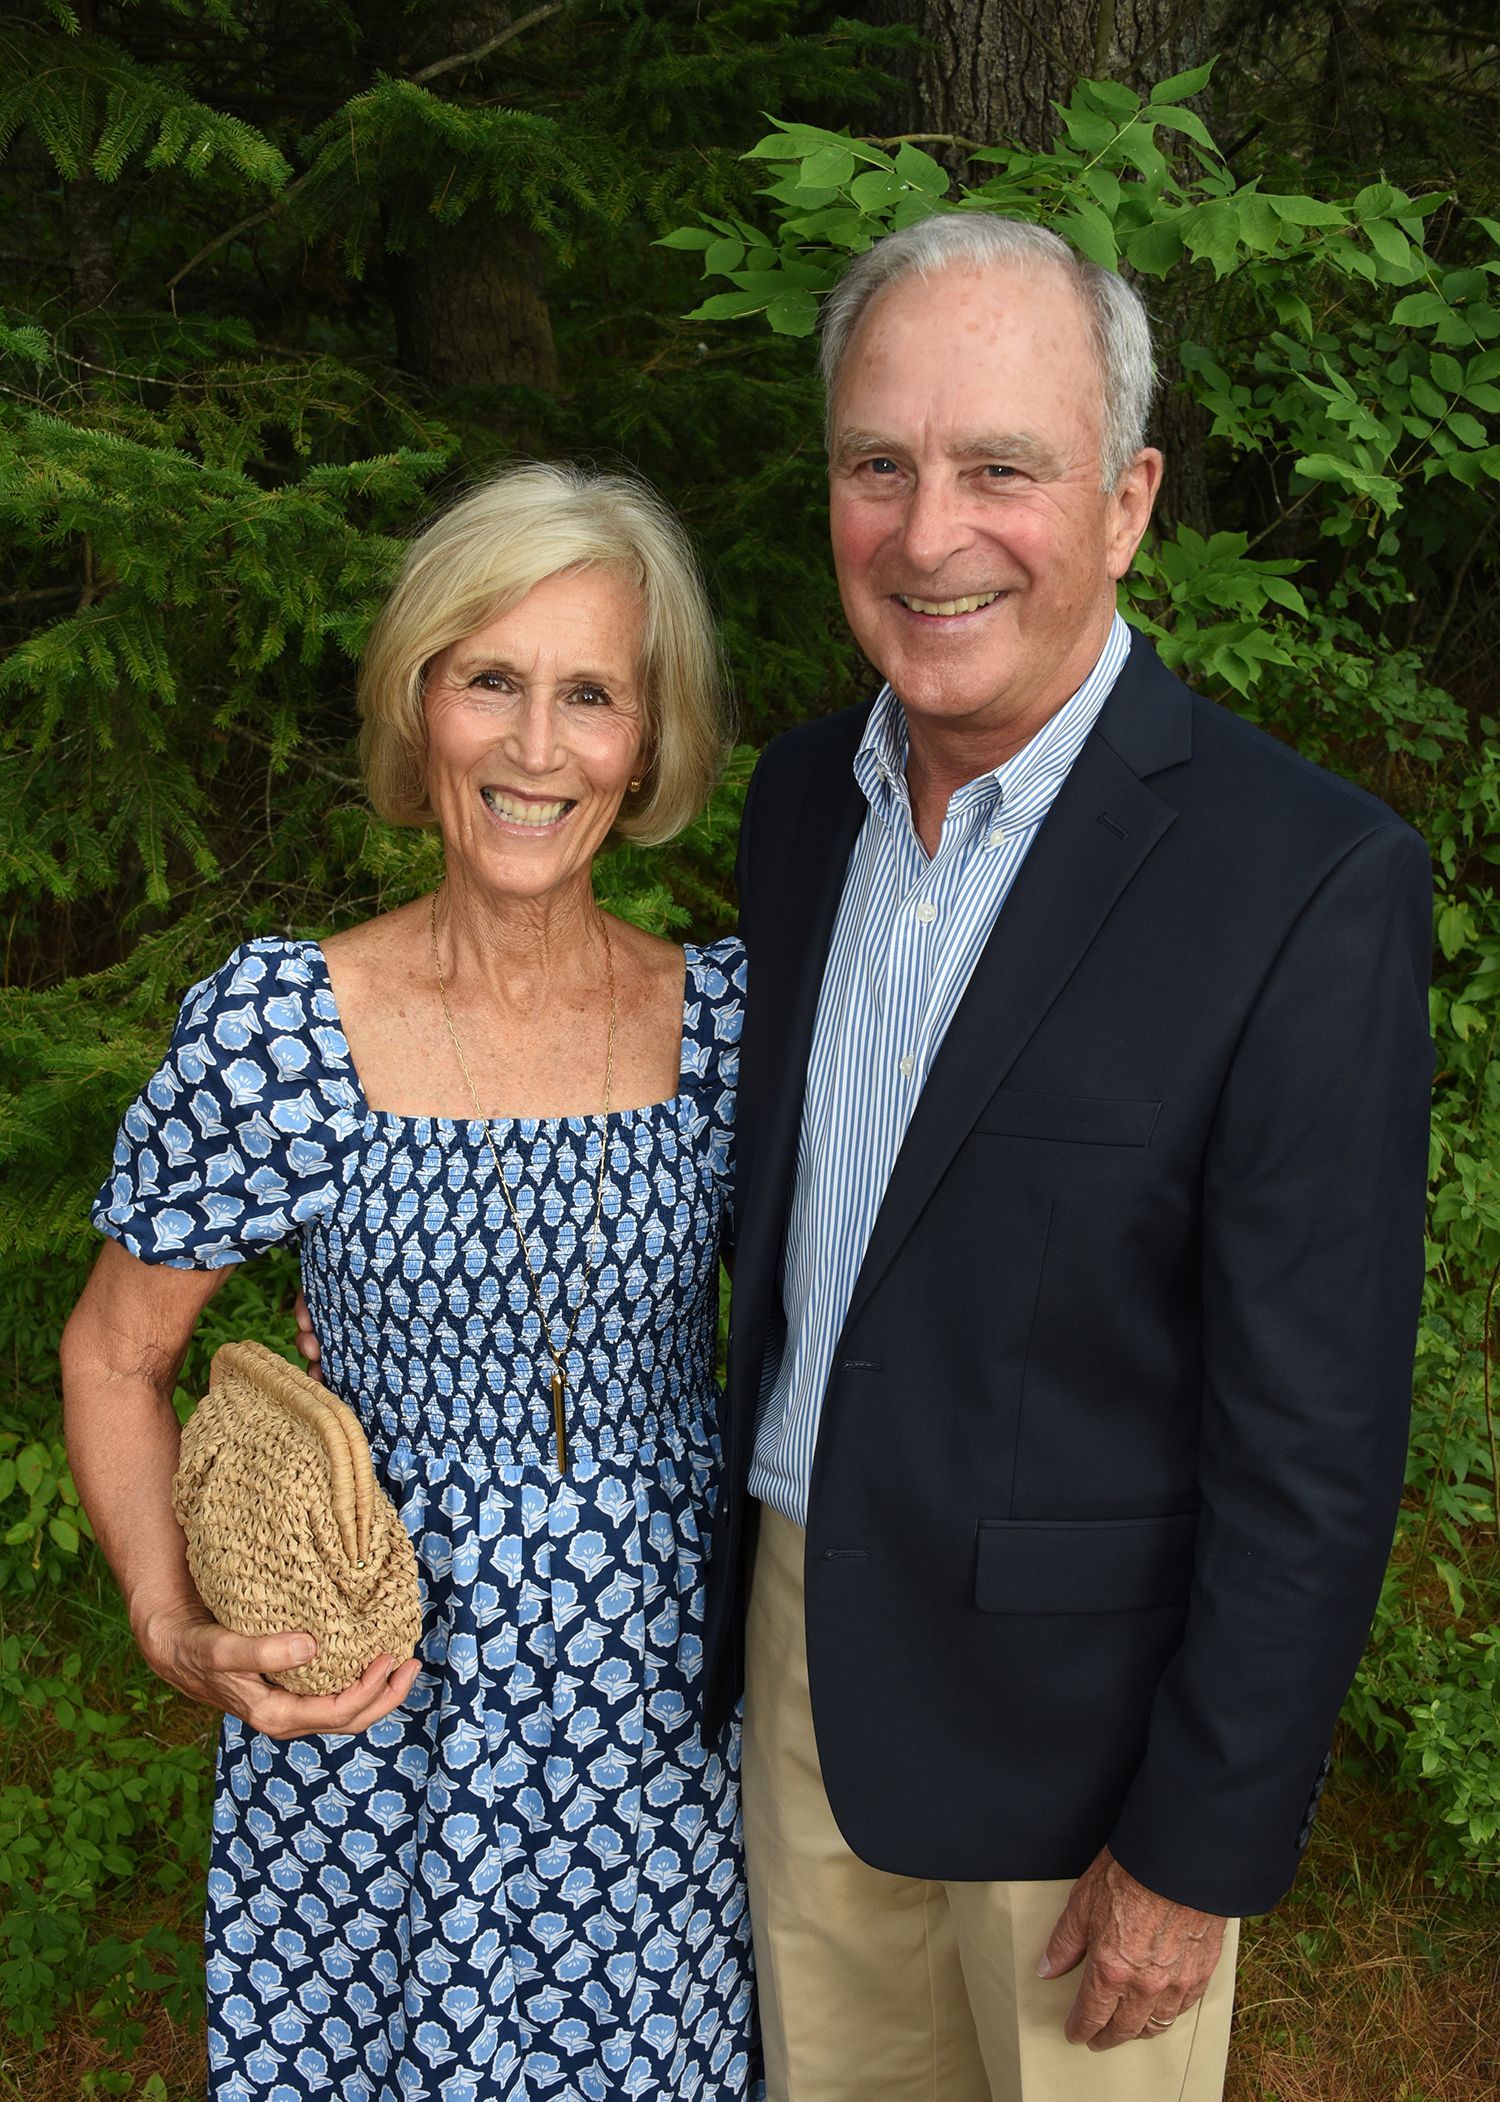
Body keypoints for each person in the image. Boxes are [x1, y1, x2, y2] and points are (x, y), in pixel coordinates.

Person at [701, 214, 1433, 2101]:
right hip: (799, 1671)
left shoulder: (1303, 880)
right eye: (881, 463)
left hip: (1085, 1759)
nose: (930, 530)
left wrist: (1199, 1837)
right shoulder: (800, 804)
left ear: (1126, 502)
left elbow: (1317, 1437)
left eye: (1001, 468)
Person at [60, 463, 757, 2102]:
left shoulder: (734, 1025)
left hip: (667, 1732)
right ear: (418, 705)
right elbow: (111, 1355)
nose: (534, 746)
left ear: (648, 742)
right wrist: (173, 1623)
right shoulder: (283, 1035)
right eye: (488, 680)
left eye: (589, 693)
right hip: (372, 1723)